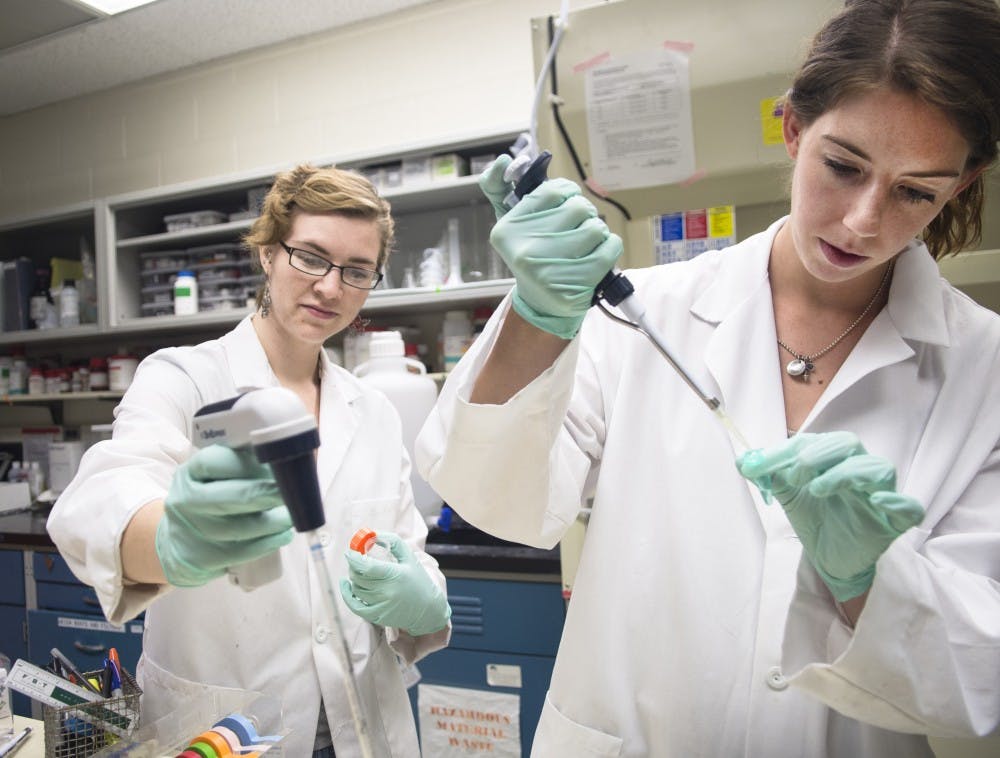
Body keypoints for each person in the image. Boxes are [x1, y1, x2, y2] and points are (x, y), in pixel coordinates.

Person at [415, 0, 1000, 755]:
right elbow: (499, 501)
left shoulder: (984, 370)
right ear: (792, 129)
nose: (862, 219)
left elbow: (978, 674)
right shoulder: (647, 313)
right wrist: (537, 316)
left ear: (960, 185)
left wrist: (868, 581)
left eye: (914, 191)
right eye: (843, 166)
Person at [48, 164, 452, 757]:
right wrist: (172, 540)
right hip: (223, 727)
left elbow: (408, 553)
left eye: (357, 270)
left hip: (362, 726)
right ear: (267, 253)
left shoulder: (376, 410)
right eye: (310, 256)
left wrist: (422, 597)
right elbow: (103, 495)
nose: (331, 288)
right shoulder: (183, 376)